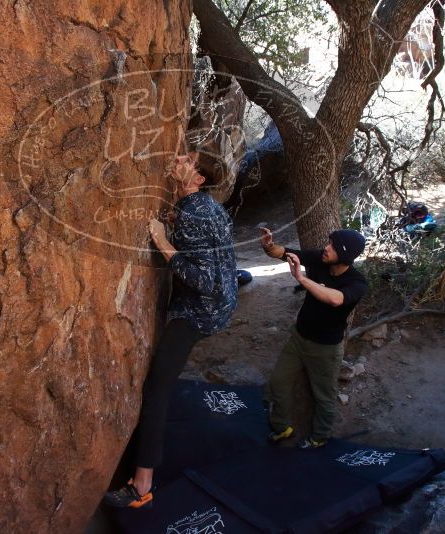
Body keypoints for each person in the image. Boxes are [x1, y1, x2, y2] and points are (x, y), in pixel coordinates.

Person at [103, 153, 237, 509]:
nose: (179, 158)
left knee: (157, 388)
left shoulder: (195, 212)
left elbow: (204, 281)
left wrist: (163, 240)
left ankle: (142, 484)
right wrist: (177, 225)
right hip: (217, 305)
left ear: (198, 180)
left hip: (199, 312)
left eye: (188, 161)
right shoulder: (203, 206)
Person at [260, 227, 367, 449]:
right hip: (298, 338)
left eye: (333, 246)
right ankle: (282, 427)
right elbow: (285, 253)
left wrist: (301, 278)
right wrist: (270, 247)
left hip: (325, 349)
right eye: (329, 243)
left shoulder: (357, 282)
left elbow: (336, 299)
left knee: (324, 396)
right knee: (278, 382)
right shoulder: (320, 259)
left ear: (345, 255)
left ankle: (320, 437)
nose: (326, 248)